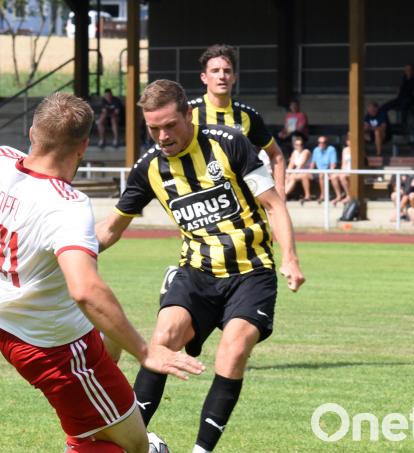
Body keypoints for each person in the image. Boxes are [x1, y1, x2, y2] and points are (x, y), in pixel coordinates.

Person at [0, 93, 204, 453]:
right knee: (136, 446)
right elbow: (85, 290)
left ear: (32, 133)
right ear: (83, 148)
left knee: (105, 366)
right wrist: (145, 351)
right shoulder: (66, 206)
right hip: (59, 348)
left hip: (16, 334)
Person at [96, 79, 305, 453]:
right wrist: (64, 254)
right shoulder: (149, 168)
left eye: (169, 125)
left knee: (234, 348)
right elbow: (111, 229)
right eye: (153, 128)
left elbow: (273, 204)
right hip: (196, 272)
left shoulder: (229, 143)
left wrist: (289, 257)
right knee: (163, 338)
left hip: (251, 271)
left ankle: (201, 450)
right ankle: (130, 444)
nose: (162, 135)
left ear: (188, 115)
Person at [188, 44, 287, 198]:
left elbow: (276, 155)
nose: (222, 76)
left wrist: (280, 194)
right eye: (215, 71)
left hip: (243, 205)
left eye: (227, 71)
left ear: (234, 78)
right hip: (204, 205)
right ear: (204, 78)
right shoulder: (188, 113)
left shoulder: (247, 115)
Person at [310, 136, 340, 204]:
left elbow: (333, 164)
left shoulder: (331, 149)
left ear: (327, 143)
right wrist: (310, 171)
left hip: (328, 171)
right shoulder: (316, 150)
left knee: (324, 175)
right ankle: (307, 196)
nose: (321, 144)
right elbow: (312, 163)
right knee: (303, 176)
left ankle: (323, 195)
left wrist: (330, 172)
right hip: (318, 172)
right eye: (319, 142)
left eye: (323, 142)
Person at [284, 136, 313, 202]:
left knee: (294, 177)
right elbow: (290, 165)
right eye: (297, 144)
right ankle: (284, 195)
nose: (299, 146)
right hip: (298, 173)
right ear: (294, 145)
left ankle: (284, 194)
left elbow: (301, 165)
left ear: (303, 145)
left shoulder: (306, 152)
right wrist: (287, 173)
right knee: (286, 176)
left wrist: (292, 173)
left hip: (308, 172)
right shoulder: (294, 152)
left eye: (300, 144)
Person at [336, 136, 352, 204]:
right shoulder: (345, 150)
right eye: (348, 140)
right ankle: (338, 196)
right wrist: (342, 170)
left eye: (350, 140)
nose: (349, 142)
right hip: (346, 169)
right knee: (334, 177)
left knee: (342, 177)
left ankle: (349, 196)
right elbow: (343, 162)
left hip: (353, 170)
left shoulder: (357, 149)